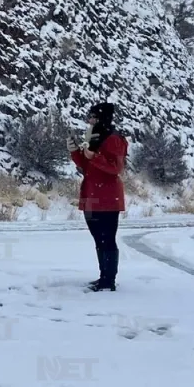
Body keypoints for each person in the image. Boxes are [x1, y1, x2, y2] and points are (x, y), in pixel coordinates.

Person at [69, 102, 128, 292]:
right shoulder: (93, 136)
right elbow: (86, 166)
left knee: (107, 239)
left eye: (93, 117)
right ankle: (103, 276)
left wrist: (94, 156)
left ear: (102, 117)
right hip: (91, 195)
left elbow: (116, 167)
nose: (89, 120)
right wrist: (75, 152)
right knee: (98, 239)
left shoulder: (113, 139)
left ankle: (108, 280)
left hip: (108, 197)